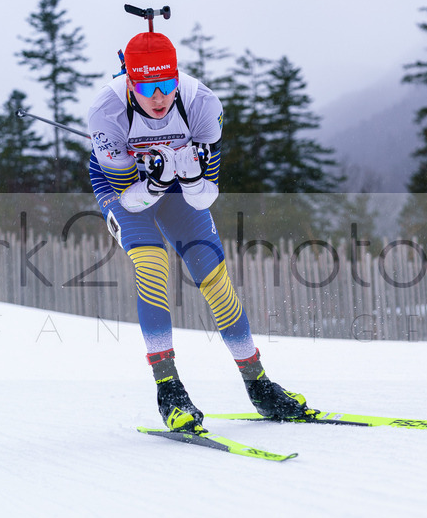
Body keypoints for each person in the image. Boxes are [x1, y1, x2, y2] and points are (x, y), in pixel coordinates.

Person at [87, 30, 316, 433]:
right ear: (130, 83)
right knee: (152, 263)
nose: (159, 97)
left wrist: (191, 177)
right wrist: (155, 183)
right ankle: (169, 390)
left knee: (213, 276)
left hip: (179, 188)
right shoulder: (106, 112)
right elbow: (131, 201)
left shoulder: (202, 104)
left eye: (167, 83)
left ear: (177, 77)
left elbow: (204, 199)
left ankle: (259, 385)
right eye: (147, 87)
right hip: (125, 191)